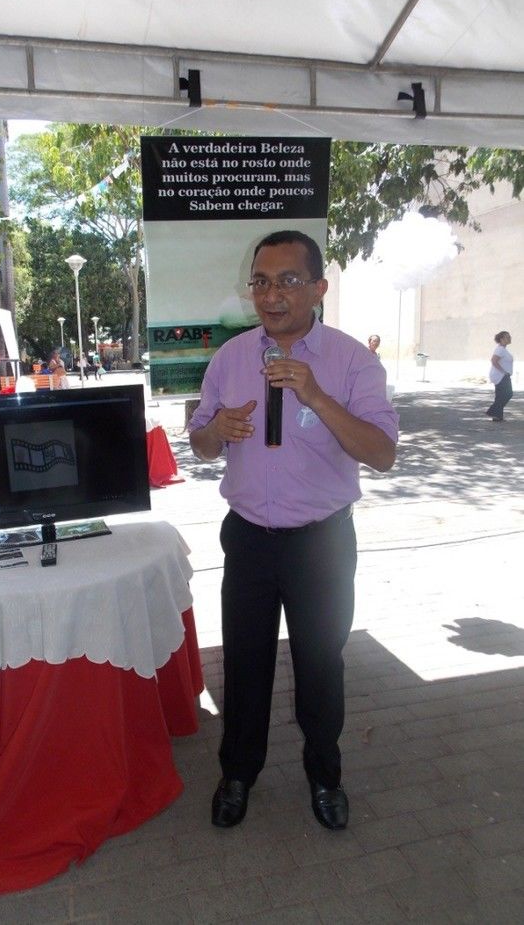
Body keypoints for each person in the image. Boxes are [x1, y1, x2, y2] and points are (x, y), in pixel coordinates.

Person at [189, 230, 398, 832]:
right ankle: (237, 773)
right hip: (249, 537)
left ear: (318, 288)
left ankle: (325, 775)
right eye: (261, 281)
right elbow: (200, 443)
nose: (271, 295)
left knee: (320, 663)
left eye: (286, 281)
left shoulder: (354, 360)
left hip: (322, 543)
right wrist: (216, 431)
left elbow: (381, 453)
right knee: (245, 662)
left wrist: (316, 393)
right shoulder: (229, 358)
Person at [486, 331, 514, 422]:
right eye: (507, 337)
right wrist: (503, 371)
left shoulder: (502, 349)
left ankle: (497, 417)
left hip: (501, 375)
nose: (509, 338)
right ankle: (492, 411)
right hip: (500, 375)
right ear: (501, 339)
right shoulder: (500, 349)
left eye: (509, 336)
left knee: (500, 395)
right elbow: (494, 361)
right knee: (508, 393)